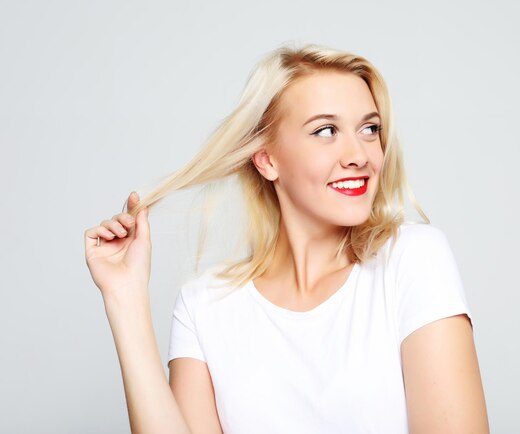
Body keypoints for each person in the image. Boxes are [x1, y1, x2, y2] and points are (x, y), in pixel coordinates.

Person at [84, 42, 489, 434]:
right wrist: (125, 298)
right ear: (267, 159)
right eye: (326, 130)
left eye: (369, 129)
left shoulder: (413, 260)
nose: (360, 154)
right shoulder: (204, 306)